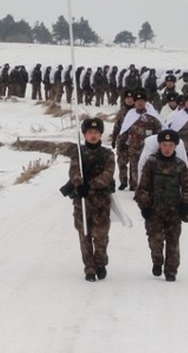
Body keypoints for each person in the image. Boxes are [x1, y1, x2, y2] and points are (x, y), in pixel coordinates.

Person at [134, 129, 188, 282]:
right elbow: (144, 186)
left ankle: (171, 271)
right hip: (155, 210)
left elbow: (187, 186)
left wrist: (186, 204)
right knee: (155, 239)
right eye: (164, 145)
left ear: (175, 147)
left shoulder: (180, 165)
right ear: (159, 145)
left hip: (174, 210)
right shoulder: (152, 163)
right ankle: (157, 261)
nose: (167, 148)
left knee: (173, 241)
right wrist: (144, 206)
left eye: (170, 145)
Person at [68, 117, 116, 282]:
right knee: (85, 235)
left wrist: (92, 185)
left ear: (101, 134)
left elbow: (108, 175)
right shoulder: (78, 153)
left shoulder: (108, 154)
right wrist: (78, 184)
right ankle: (89, 267)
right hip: (82, 202)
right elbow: (74, 171)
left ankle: (100, 263)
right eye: (90, 132)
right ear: (84, 134)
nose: (93, 135)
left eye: (96, 132)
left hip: (101, 202)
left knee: (101, 236)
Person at [116, 90, 162, 191]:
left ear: (145, 102)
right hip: (134, 149)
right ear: (134, 102)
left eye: (142, 100)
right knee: (135, 170)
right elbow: (124, 132)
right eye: (137, 101)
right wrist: (120, 145)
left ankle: (146, 189)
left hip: (149, 150)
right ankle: (136, 189)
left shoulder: (152, 117)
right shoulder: (130, 115)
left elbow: (159, 131)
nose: (140, 103)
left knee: (148, 170)